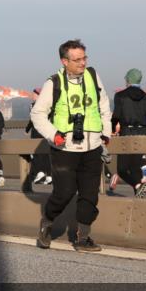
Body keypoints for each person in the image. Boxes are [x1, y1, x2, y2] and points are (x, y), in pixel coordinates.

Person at [31, 39, 112, 253]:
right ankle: (47, 223)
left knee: (89, 195)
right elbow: (37, 114)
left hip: (92, 147)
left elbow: (103, 104)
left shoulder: (93, 76)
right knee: (64, 193)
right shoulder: (54, 82)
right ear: (64, 61)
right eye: (77, 60)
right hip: (64, 149)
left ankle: (83, 238)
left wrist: (106, 132)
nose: (82, 63)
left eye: (84, 58)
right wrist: (53, 135)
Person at [110, 68, 146, 198]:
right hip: (142, 134)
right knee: (135, 168)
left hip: (126, 133)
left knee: (122, 169)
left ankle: (138, 186)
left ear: (127, 80)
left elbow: (115, 117)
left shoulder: (120, 96)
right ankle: (139, 197)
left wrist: (112, 129)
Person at [23, 87, 53, 191]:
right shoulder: (47, 105)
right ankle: (49, 175)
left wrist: (27, 129)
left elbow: (33, 119)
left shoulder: (35, 105)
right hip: (45, 132)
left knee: (37, 153)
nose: (33, 95)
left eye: (35, 94)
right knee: (45, 154)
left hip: (37, 132)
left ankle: (40, 173)